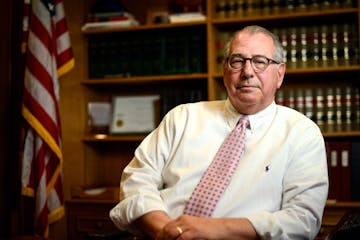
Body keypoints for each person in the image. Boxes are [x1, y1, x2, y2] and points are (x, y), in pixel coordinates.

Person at [110, 25, 329, 240]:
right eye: (238, 61)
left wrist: (214, 229)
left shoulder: (302, 133)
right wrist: (167, 231)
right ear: (225, 70)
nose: (247, 72)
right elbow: (136, 182)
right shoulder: (182, 118)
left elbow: (302, 219)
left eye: (260, 62)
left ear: (279, 74)